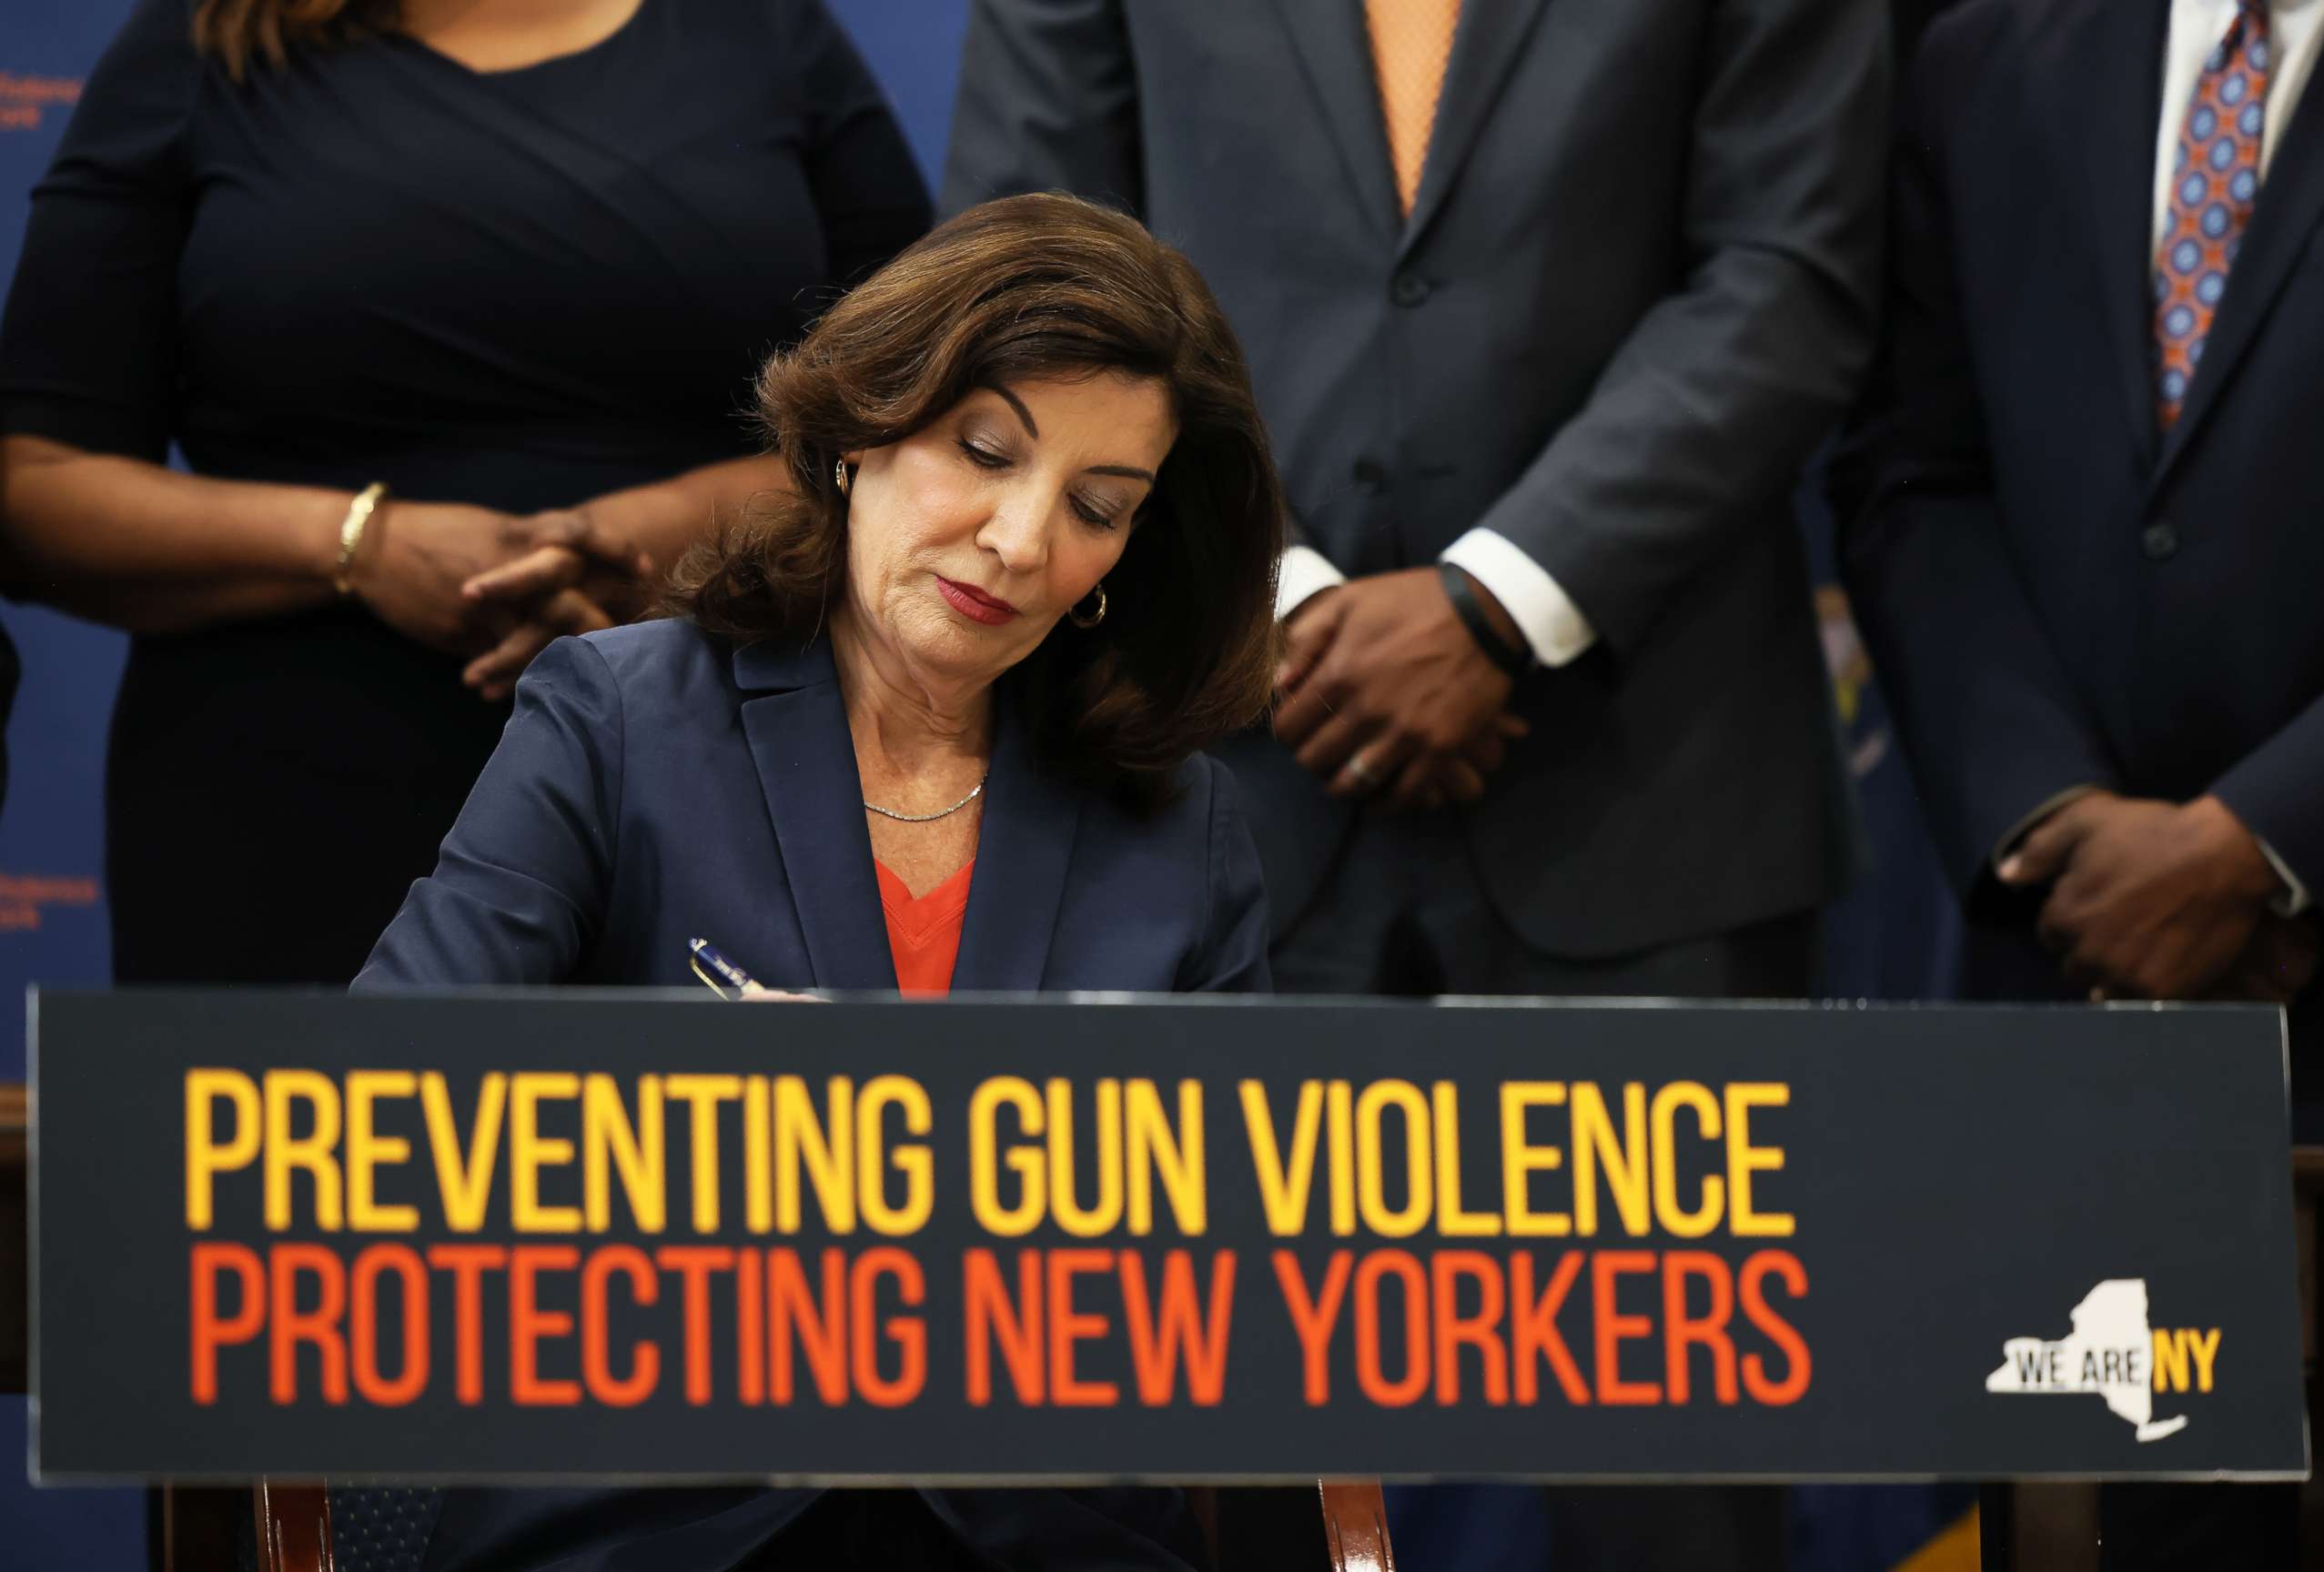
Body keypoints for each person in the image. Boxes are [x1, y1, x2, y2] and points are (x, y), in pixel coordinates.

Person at [945, 2, 1887, 1566]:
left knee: (1675, 1505)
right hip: (1213, 773)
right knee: (1208, 1469)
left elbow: (1785, 274)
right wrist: (1278, 594)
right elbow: (1029, 259)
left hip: (1647, 785)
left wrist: (1503, 601)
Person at [356, 191, 1285, 1569]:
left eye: (1099, 507)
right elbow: (371, 1101)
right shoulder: (620, 720)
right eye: (983, 450)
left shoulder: (1178, 819)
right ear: (862, 428)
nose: (1024, 544)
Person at [0, 0, 933, 987]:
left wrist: (648, 548)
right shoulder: (207, 41)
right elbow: (39, 490)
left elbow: (917, 422)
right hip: (279, 807)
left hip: (704, 780)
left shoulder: (767, 35)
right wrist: (360, 544)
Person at [1836, 0, 2324, 1561]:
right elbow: (1917, 474)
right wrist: (2056, 821)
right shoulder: (1984, 51)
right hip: (2074, 988)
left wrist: (2264, 841)